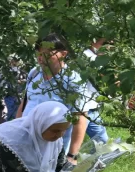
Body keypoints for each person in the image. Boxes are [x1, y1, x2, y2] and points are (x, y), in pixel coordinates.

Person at [17, 33, 91, 163]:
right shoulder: (34, 73)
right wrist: (15, 132)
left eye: (47, 54)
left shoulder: (73, 81)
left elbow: (80, 118)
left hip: (51, 151)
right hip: (25, 143)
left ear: (63, 54)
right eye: (39, 54)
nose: (41, 59)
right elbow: (25, 103)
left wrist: (72, 155)